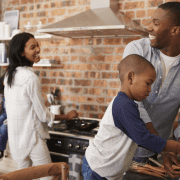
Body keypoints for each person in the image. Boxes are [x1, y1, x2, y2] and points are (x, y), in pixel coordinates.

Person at [82, 54, 180, 180]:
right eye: (148, 83)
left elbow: (142, 134)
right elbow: (142, 138)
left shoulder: (129, 104)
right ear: (130, 77)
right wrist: (175, 146)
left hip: (108, 172)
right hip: (97, 170)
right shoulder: (123, 105)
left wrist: (165, 151)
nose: (150, 89)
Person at [3, 32, 78, 180]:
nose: (38, 49)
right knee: (49, 177)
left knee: (22, 177)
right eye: (32, 47)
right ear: (21, 52)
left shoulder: (8, 76)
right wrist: (66, 116)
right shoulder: (31, 78)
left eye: (37, 45)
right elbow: (43, 115)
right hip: (32, 138)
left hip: (16, 140)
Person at [122, 1, 180, 170]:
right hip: (121, 151)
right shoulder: (137, 50)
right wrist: (165, 149)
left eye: (156, 23)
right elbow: (133, 103)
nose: (148, 28)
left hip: (154, 154)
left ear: (175, 30)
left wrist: (171, 151)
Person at [0, 74, 7, 159]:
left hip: (10, 114)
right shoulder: (2, 93)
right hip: (4, 114)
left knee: (3, 129)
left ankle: (1, 150)